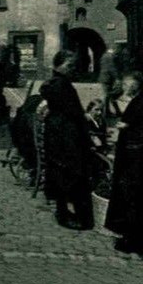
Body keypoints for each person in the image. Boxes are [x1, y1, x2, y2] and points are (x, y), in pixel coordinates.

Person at [105, 70, 143, 255]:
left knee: (135, 198)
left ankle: (135, 240)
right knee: (138, 198)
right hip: (137, 158)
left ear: (135, 85)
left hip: (137, 160)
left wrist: (128, 126)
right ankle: (139, 236)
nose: (124, 88)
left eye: (126, 85)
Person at [39, 50, 95, 230]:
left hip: (59, 134)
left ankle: (64, 211)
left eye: (74, 66)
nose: (72, 69)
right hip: (65, 137)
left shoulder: (58, 83)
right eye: (69, 66)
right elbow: (72, 112)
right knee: (69, 174)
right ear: (58, 65)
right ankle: (65, 215)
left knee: (62, 174)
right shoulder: (61, 85)